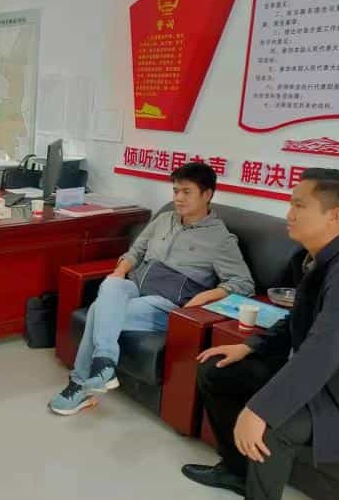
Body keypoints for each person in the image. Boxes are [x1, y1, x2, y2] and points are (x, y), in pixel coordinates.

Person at [182, 168, 339, 500]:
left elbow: (322, 353)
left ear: (334, 216)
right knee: (217, 370)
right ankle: (236, 471)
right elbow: (297, 321)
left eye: (299, 206)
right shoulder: (314, 259)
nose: (288, 214)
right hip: (317, 377)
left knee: (274, 421)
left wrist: (261, 409)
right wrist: (251, 347)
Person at [49, 162, 255, 416]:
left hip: (164, 304)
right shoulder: (164, 219)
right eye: (176, 191)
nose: (178, 198)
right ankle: (103, 367)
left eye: (187, 192)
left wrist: (206, 296)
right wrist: (120, 271)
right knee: (112, 284)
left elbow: (243, 283)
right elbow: (136, 251)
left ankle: (81, 383)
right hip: (135, 286)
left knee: (96, 311)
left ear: (207, 194)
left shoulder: (220, 239)